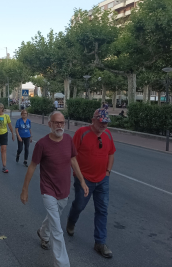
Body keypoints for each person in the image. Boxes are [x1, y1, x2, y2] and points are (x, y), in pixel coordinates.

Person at [20, 111, 89, 267]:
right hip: (48, 189)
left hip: (63, 189)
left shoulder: (68, 140)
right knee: (57, 230)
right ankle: (62, 264)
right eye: (56, 122)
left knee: (55, 216)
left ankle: (43, 233)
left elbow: (73, 160)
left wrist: (82, 181)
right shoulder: (42, 144)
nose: (60, 126)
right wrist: (25, 189)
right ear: (49, 124)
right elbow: (32, 166)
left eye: (62, 123)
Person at [67, 108, 116, 259]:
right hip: (84, 179)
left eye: (106, 122)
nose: (104, 125)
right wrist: (79, 178)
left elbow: (111, 153)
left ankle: (100, 243)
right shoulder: (82, 133)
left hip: (103, 179)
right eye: (101, 122)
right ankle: (71, 221)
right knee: (80, 205)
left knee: (102, 210)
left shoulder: (107, 134)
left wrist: (107, 172)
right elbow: (71, 155)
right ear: (93, 120)